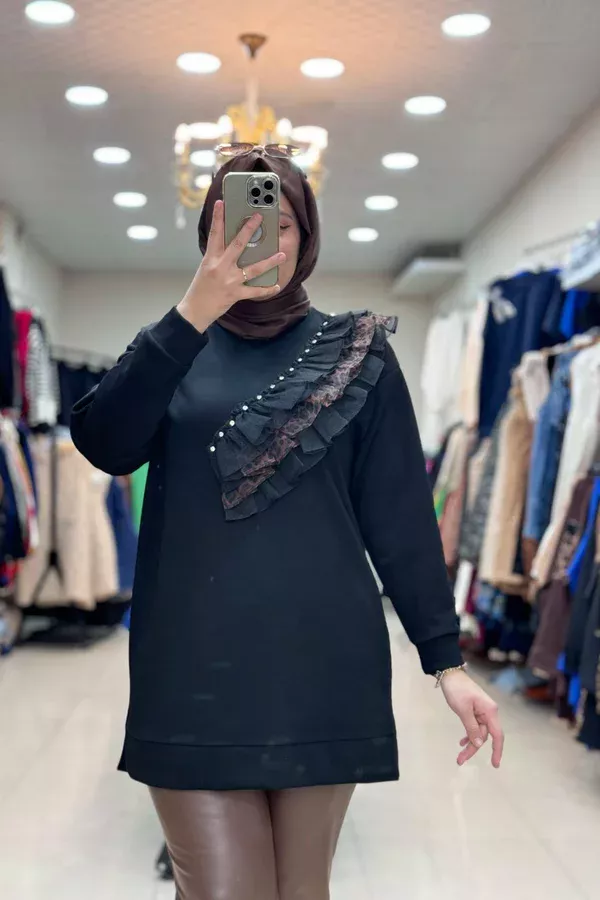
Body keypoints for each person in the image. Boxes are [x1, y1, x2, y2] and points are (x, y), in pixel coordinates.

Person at [71, 149, 504, 900]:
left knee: (302, 891)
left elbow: (400, 516)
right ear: (208, 234)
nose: (258, 238)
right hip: (191, 672)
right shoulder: (169, 348)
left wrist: (447, 662)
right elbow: (105, 443)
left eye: (282, 224)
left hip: (323, 667)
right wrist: (192, 313)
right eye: (234, 223)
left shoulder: (359, 353)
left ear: (307, 239)